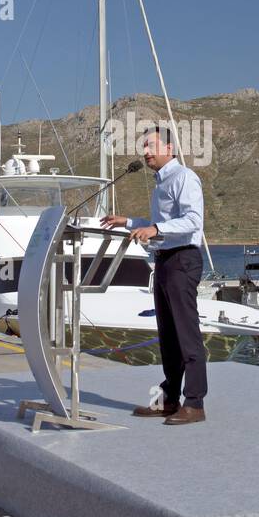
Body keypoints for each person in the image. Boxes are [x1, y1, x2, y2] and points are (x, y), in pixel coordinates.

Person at [102, 126, 207, 425]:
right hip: (164, 261)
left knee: (186, 334)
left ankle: (195, 403)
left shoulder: (184, 178)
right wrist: (130, 221)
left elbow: (191, 221)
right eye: (143, 147)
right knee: (168, 336)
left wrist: (156, 229)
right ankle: (170, 399)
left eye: (150, 146)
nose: (145, 152)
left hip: (182, 260)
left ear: (170, 149)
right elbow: (161, 223)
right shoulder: (162, 183)